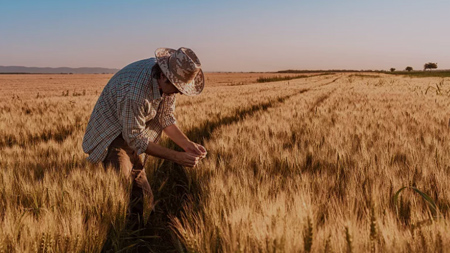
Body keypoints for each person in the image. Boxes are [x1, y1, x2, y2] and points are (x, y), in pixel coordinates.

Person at [82, 47, 207, 223]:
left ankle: (142, 229)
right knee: (122, 187)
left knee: (144, 197)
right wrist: (178, 157)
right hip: (111, 134)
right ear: (163, 76)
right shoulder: (135, 93)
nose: (178, 92)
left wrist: (187, 145)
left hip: (133, 130)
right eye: (177, 88)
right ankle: (117, 230)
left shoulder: (168, 82)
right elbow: (135, 139)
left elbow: (165, 117)